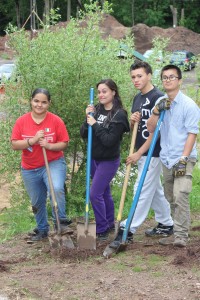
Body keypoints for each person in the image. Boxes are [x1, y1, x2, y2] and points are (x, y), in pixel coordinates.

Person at [109, 61, 174, 249]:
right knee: (154, 189)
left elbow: (157, 132)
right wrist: (132, 121)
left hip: (153, 151)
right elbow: (136, 129)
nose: (136, 80)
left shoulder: (159, 98)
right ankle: (166, 223)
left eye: (139, 76)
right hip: (141, 150)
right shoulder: (137, 98)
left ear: (149, 75)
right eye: (133, 77)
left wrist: (139, 153)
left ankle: (127, 228)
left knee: (141, 188)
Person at [147, 64, 200, 247]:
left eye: (172, 77)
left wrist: (184, 159)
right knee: (171, 197)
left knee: (181, 194)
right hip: (167, 158)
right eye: (165, 77)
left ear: (180, 80)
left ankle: (181, 236)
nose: (168, 80)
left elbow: (192, 133)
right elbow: (151, 128)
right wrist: (156, 111)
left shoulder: (189, 105)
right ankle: (177, 229)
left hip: (183, 158)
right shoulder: (160, 102)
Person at [11, 88, 72, 241]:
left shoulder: (55, 121)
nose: (39, 105)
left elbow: (64, 143)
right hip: (30, 168)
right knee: (37, 200)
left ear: (49, 103)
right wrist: (32, 140)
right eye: (36, 101)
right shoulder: (22, 121)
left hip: (53, 163)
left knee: (56, 188)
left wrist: (49, 145)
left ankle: (61, 222)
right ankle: (42, 229)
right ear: (31, 101)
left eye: (44, 102)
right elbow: (14, 144)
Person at [80, 79, 130, 241]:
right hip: (94, 159)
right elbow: (83, 134)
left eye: (104, 91)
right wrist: (88, 116)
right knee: (104, 192)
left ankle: (101, 228)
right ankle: (108, 223)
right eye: (99, 92)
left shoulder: (119, 114)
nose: (101, 95)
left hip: (109, 160)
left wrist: (94, 124)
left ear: (113, 92)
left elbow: (109, 140)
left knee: (94, 194)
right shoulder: (98, 110)